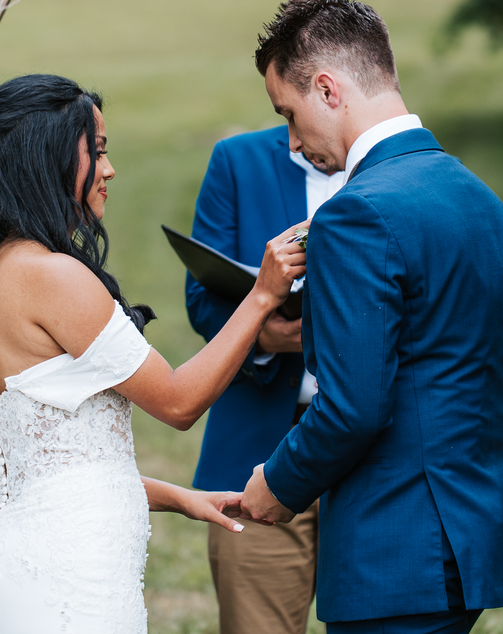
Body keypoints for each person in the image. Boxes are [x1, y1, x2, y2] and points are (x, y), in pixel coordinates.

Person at [0, 74, 308, 634]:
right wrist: (262, 296)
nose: (110, 170)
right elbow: (180, 404)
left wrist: (182, 499)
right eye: (98, 152)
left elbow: (56, 474)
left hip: (22, 560)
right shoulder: (51, 276)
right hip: (73, 574)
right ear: (50, 161)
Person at [239, 0, 503, 634]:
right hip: (471, 545)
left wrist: (279, 483)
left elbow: (354, 408)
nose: (292, 141)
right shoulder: (480, 197)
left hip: (394, 554)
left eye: (288, 114)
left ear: (327, 89)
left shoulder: (353, 214)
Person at [186, 126, 344, 634]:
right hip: (261, 448)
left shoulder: (396, 168)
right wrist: (262, 335)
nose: (293, 139)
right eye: (284, 115)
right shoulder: (237, 160)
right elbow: (202, 298)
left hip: (376, 455)